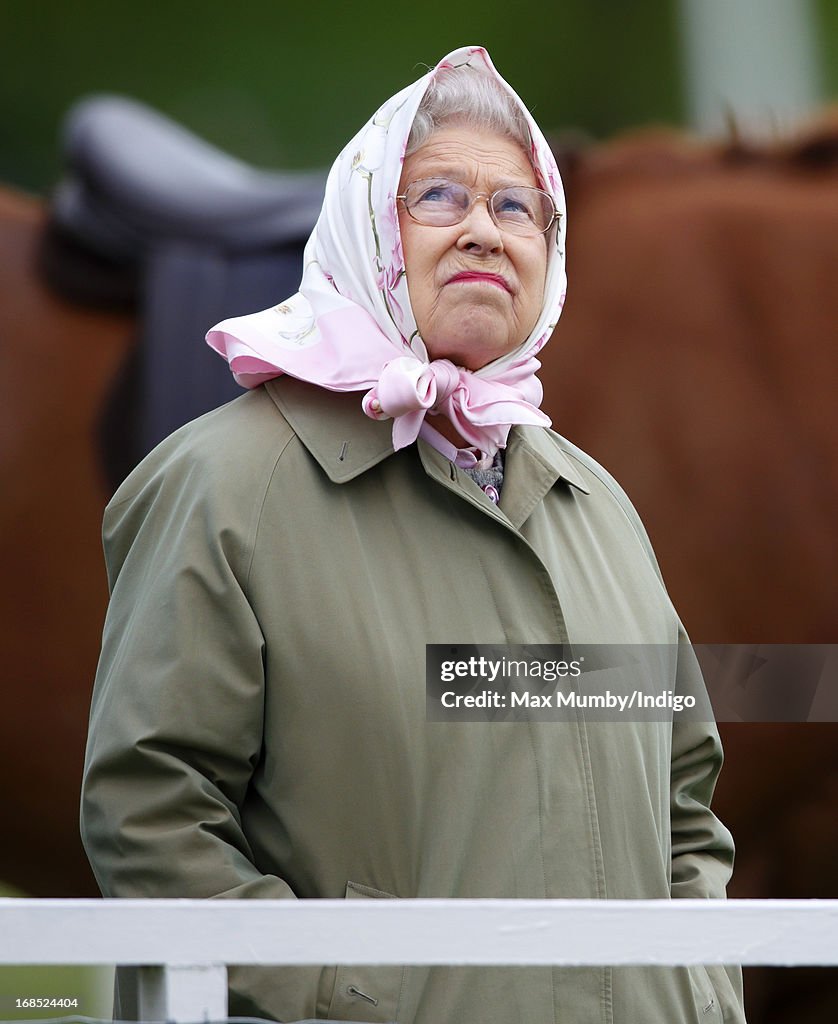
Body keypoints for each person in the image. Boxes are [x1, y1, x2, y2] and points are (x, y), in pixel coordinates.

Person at [81, 45, 746, 1024]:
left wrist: (695, 990)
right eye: (438, 196)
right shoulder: (223, 485)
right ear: (365, 227)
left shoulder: (598, 504)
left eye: (516, 207)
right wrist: (349, 992)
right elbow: (150, 808)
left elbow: (685, 799)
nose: (484, 229)